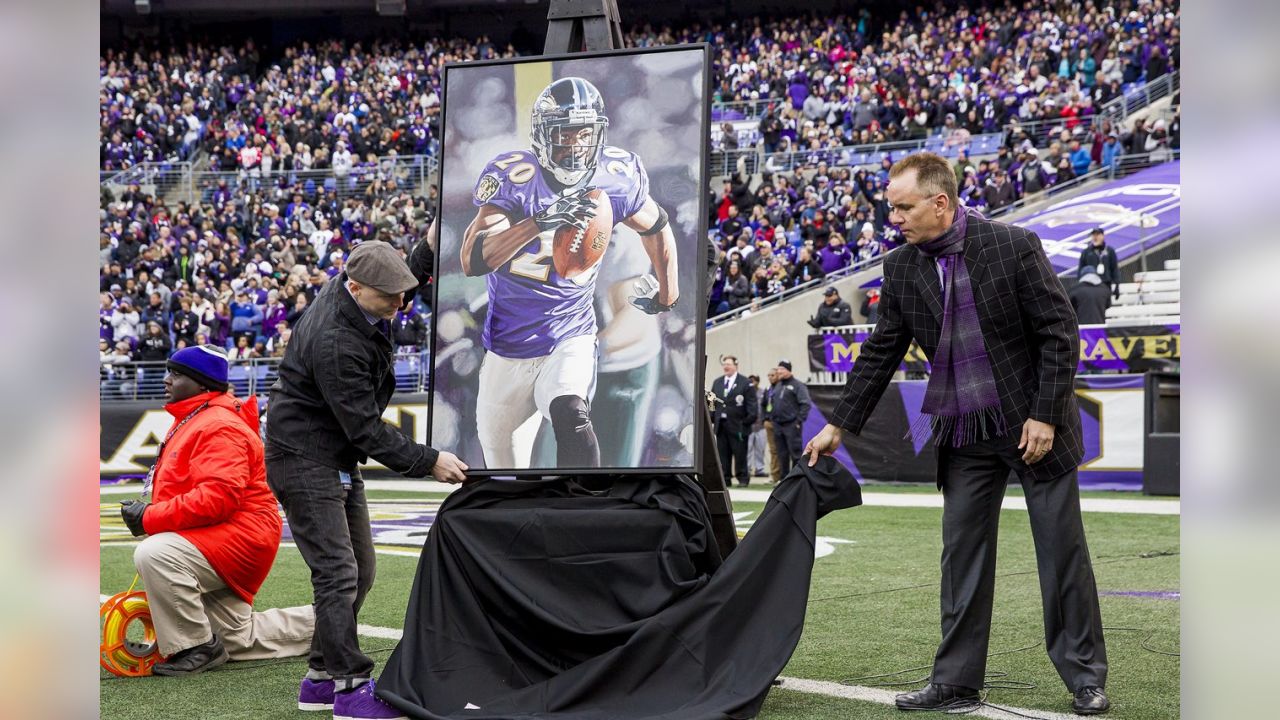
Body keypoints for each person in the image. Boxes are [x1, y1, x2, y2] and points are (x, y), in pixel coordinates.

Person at [804, 152, 1109, 716]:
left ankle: (1085, 677)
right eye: (891, 207)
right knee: (960, 555)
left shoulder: (1013, 245)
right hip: (965, 434)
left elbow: (1059, 333)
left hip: (1033, 427)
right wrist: (838, 425)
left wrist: (1044, 414)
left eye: (902, 207)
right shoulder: (900, 268)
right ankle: (956, 681)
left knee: (1061, 554)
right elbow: (879, 354)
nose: (892, 218)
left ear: (939, 203)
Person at [265, 240, 468, 719]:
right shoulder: (336, 341)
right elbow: (365, 429)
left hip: (329, 451)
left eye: (402, 293)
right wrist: (428, 460)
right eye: (390, 297)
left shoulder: (356, 293)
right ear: (355, 288)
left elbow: (395, 279)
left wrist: (426, 247)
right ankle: (351, 689)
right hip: (305, 457)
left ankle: (318, 678)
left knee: (362, 570)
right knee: (337, 573)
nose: (401, 304)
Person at [458, 76, 679, 470]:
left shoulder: (614, 178)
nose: (576, 146)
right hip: (509, 345)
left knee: (572, 413)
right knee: (503, 459)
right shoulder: (514, 178)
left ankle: (585, 507)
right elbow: (474, 260)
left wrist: (668, 293)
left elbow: (658, 226)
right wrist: (539, 222)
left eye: (584, 134)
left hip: (570, 333)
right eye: (566, 134)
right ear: (544, 136)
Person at [121, 345, 314, 676]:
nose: (167, 379)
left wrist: (150, 517)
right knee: (234, 639)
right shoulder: (198, 417)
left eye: (176, 373)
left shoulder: (218, 423)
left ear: (201, 384)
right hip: (224, 534)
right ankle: (326, 623)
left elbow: (217, 498)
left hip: (239, 535)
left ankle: (195, 647)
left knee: (156, 554)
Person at [709, 356, 757, 487]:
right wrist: (711, 416)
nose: (726, 366)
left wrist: (747, 421)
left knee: (740, 453)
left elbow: (752, 405)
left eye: (729, 364)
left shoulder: (745, 382)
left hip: (738, 425)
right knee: (723, 454)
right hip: (721, 425)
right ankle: (725, 478)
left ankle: (742, 478)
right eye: (724, 364)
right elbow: (711, 402)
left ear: (736, 365)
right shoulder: (717, 382)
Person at [770, 360, 811, 477]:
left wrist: (798, 421)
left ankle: (795, 478)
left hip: (792, 425)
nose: (779, 372)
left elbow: (805, 404)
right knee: (781, 454)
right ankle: (783, 480)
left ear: (788, 370)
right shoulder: (777, 385)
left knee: (795, 453)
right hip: (778, 425)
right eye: (778, 369)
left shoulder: (798, 385)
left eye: (782, 369)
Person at [1078, 227, 1120, 298]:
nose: (1095, 237)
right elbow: (1081, 269)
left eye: (1097, 234)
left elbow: (1114, 268)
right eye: (1093, 235)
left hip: (1105, 282)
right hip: (1090, 284)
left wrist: (1117, 284)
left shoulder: (1110, 251)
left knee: (1105, 305)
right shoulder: (1086, 252)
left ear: (1103, 236)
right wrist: (1080, 284)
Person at [761, 368, 782, 483]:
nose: (770, 377)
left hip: (780, 423)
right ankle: (774, 476)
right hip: (769, 422)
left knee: (782, 450)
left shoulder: (781, 388)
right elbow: (763, 405)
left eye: (772, 375)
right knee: (773, 450)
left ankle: (783, 475)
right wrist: (764, 419)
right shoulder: (768, 389)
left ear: (778, 376)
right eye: (768, 375)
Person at [747, 375, 768, 479]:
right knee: (748, 449)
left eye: (753, 381)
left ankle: (759, 469)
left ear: (758, 382)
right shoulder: (745, 392)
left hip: (761, 425)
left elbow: (766, 406)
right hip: (749, 426)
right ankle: (747, 469)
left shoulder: (763, 392)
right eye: (750, 381)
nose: (752, 383)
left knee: (760, 449)